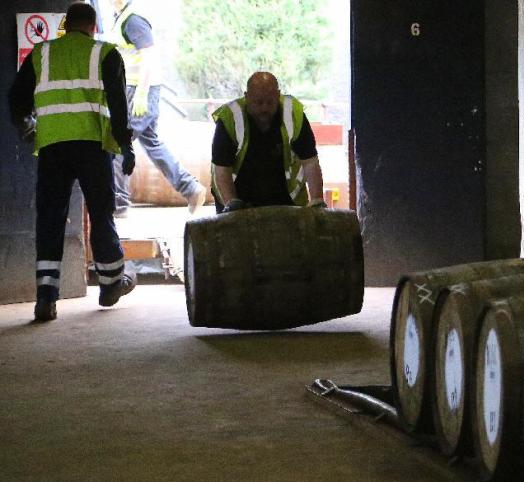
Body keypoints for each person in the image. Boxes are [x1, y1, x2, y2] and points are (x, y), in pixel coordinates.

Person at [8, 3, 137, 322]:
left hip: (52, 147)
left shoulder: (41, 54)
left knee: (50, 218)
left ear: (65, 25)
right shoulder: (105, 54)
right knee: (101, 212)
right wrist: (126, 147)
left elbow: (16, 99)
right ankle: (110, 284)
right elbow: (119, 106)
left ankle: (46, 298)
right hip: (92, 145)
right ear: (93, 27)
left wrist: (28, 129)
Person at [109, 0, 205, 216]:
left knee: (116, 144)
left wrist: (141, 94)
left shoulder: (133, 19)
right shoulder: (122, 17)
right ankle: (191, 189)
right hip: (136, 91)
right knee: (151, 142)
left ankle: (119, 204)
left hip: (139, 92)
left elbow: (150, 57)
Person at [211, 72, 326, 212]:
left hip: (285, 198)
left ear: (278, 96)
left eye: (270, 102)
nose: (264, 108)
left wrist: (317, 202)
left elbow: (310, 162)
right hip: (238, 197)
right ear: (247, 97)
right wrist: (231, 204)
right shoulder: (230, 118)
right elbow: (222, 169)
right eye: (258, 102)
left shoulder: (293, 114)